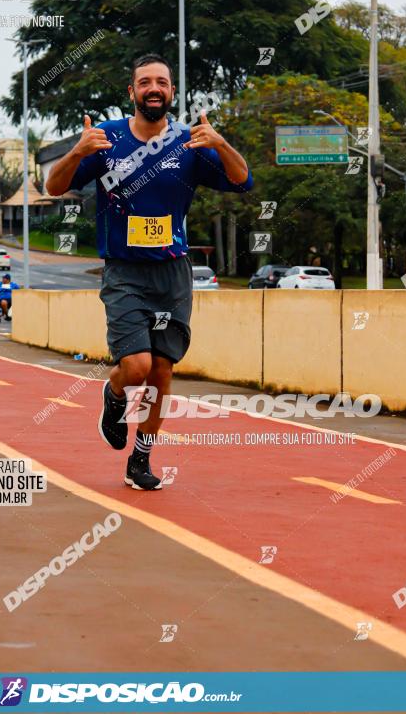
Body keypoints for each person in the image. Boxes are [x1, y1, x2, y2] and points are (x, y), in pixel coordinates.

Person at [46, 53, 253, 491]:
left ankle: (141, 459)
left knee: (162, 371)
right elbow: (53, 186)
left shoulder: (188, 143)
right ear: (132, 92)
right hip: (124, 272)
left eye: (162, 81)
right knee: (137, 366)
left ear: (172, 91)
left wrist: (220, 143)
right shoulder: (106, 141)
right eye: (145, 82)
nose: (153, 88)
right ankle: (114, 393)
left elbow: (242, 180)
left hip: (173, 272)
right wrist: (77, 151)